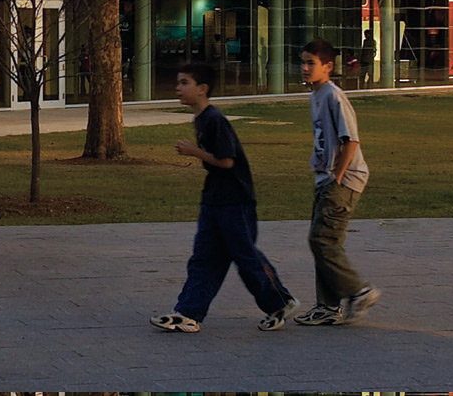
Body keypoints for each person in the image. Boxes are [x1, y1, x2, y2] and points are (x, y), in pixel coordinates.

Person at [150, 60, 294, 335]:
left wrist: (195, 152)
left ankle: (279, 303)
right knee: (204, 258)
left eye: (185, 83)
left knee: (245, 256)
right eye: (178, 82)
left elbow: (227, 161)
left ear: (202, 89)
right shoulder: (201, 119)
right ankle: (188, 313)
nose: (178, 88)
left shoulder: (215, 120)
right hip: (214, 199)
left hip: (234, 200)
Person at [295, 39, 380, 326]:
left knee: (322, 239)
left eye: (311, 63)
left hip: (341, 180)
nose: (305, 68)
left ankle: (358, 291)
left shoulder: (333, 95)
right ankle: (328, 307)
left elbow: (351, 140)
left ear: (328, 67)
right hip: (325, 178)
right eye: (303, 62)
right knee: (324, 242)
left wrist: (338, 178)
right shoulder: (315, 96)